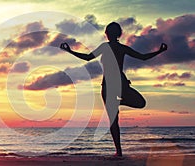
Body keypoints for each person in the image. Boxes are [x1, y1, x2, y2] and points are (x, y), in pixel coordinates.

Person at [60, 22, 167, 157]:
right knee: (116, 118)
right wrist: (160, 51)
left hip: (114, 85)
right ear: (118, 34)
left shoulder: (109, 47)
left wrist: (70, 51)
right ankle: (119, 151)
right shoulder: (116, 48)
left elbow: (88, 58)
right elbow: (143, 57)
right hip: (117, 84)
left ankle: (119, 147)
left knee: (126, 112)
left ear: (107, 33)